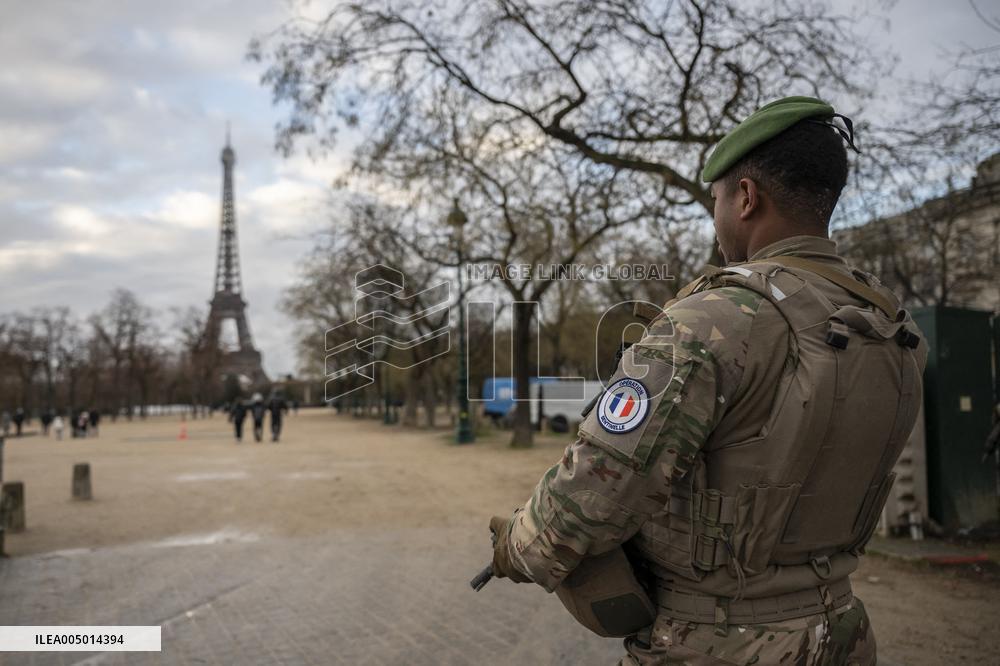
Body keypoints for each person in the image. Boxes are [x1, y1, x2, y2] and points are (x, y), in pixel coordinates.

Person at [487, 97, 927, 666]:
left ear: (746, 197)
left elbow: (594, 492)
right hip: (841, 631)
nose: (715, 218)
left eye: (716, 199)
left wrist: (516, 547)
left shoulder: (714, 320)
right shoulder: (893, 326)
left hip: (717, 642)